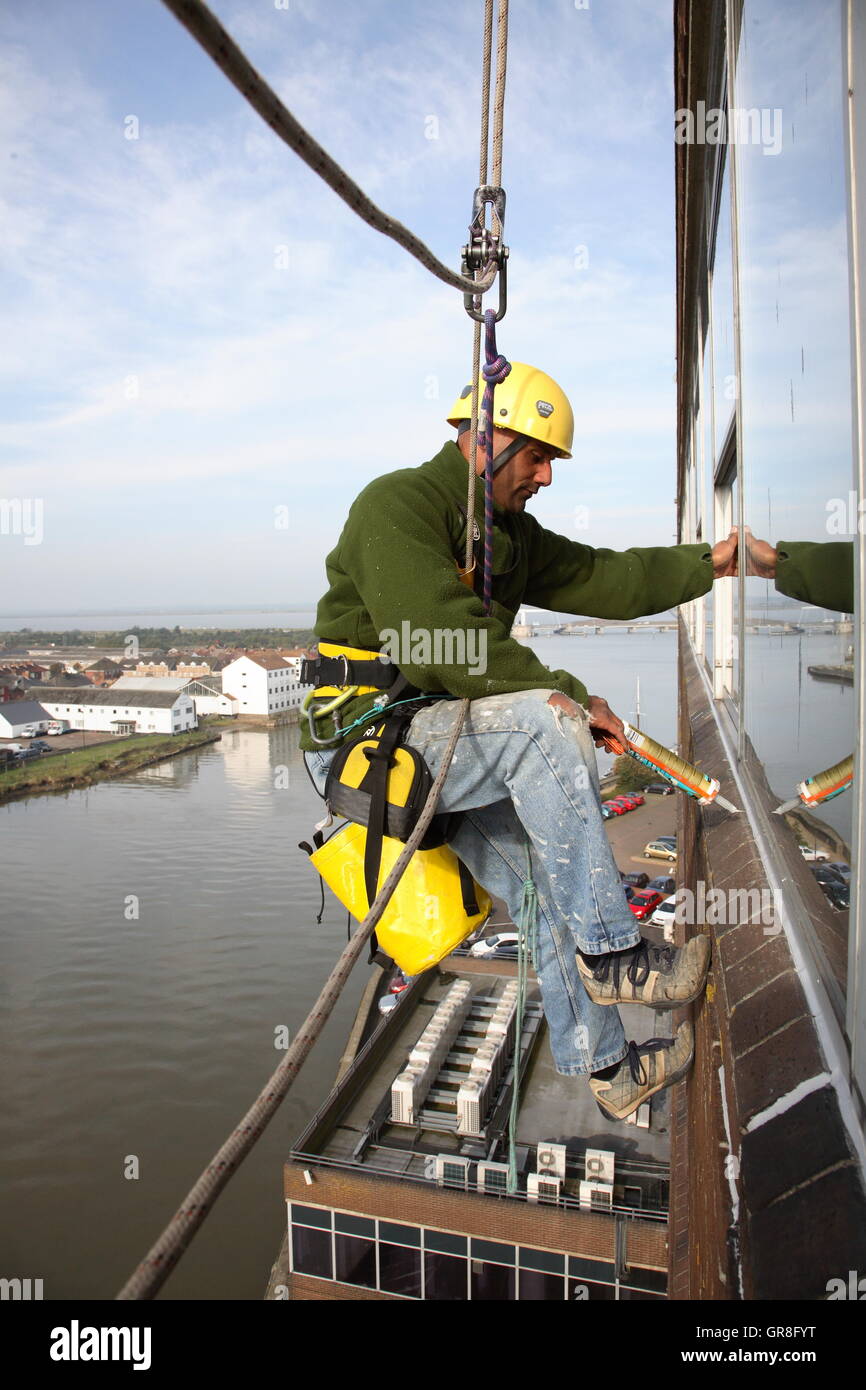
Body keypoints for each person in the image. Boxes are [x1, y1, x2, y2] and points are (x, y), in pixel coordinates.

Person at [301, 361, 740, 1121]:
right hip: (371, 741)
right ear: (486, 438)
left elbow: (609, 577)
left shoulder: (507, 538)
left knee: (540, 889)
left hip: (440, 734)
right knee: (544, 721)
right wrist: (569, 698)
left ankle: (612, 1070)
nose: (545, 476)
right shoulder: (397, 506)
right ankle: (617, 955)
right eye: (536, 456)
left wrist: (709, 564)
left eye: (550, 462)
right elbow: (440, 643)